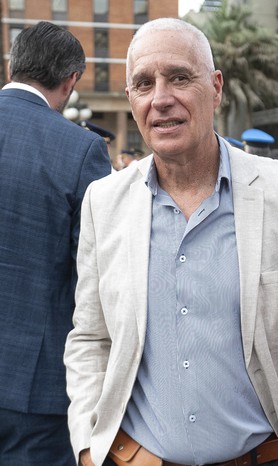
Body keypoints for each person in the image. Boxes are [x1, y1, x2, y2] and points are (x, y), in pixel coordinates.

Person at [63, 18, 278, 466]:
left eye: (179, 77)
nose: (161, 98)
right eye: (144, 83)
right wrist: (88, 449)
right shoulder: (104, 201)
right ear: (131, 99)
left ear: (215, 88)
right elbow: (90, 338)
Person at [0, 21, 112, 465]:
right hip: (38, 388)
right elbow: (97, 272)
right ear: (71, 82)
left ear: (12, 65)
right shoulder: (79, 150)